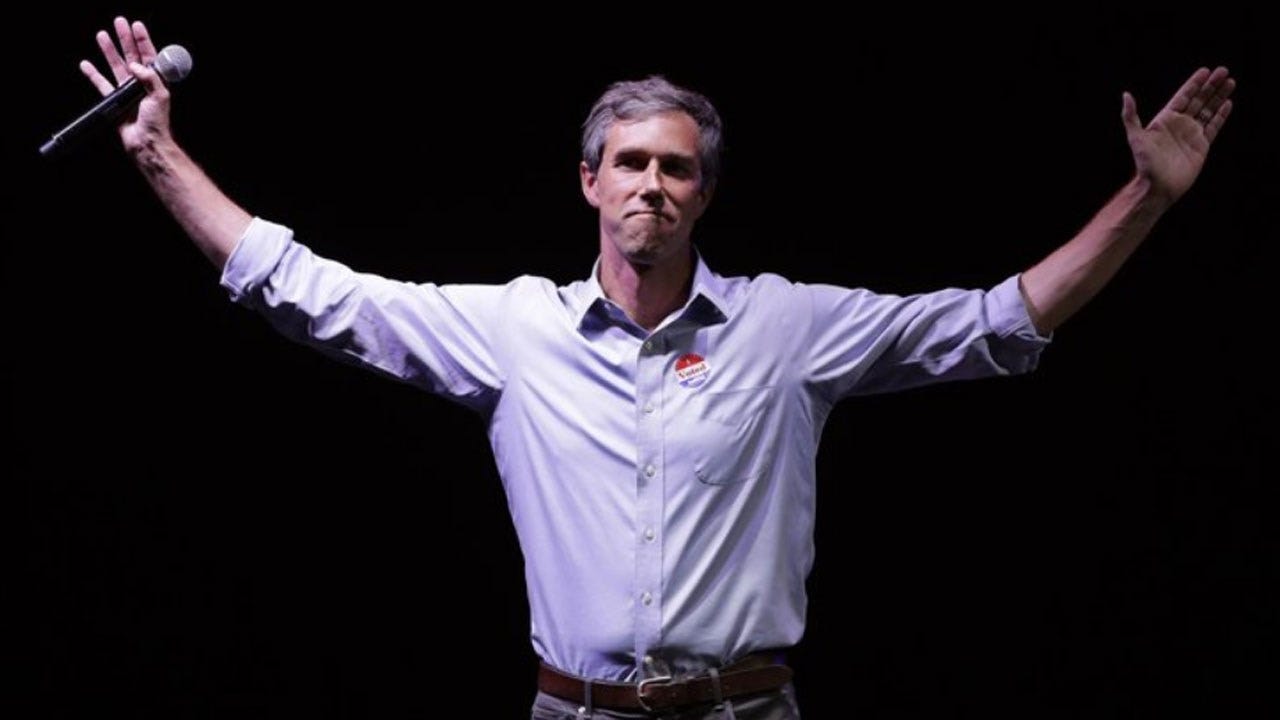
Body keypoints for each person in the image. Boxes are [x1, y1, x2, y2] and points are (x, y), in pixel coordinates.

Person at [72, 14, 1235, 720]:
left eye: (676, 169)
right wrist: (160, 156)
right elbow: (312, 294)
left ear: (704, 192)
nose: (651, 186)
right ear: (588, 181)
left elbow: (993, 323)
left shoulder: (785, 328)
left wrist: (1143, 199)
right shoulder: (516, 331)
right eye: (628, 163)